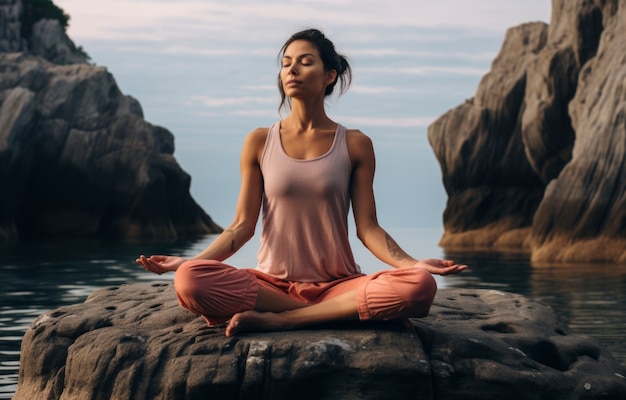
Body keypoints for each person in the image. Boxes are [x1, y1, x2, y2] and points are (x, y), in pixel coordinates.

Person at [136, 28, 467, 337]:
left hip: (339, 283)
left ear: (329, 76)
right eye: (286, 64)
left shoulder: (355, 144)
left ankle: (283, 321)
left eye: (305, 62)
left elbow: (368, 229)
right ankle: (339, 314)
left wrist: (414, 263)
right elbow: (240, 226)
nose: (291, 70)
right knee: (190, 281)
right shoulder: (259, 141)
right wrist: (191, 262)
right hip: (271, 286)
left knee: (420, 284)